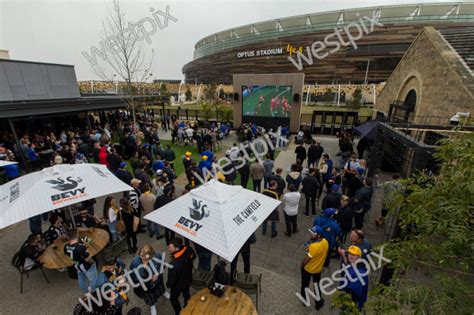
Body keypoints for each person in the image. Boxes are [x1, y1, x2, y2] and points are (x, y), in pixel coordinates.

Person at [130, 245, 166, 315]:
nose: (142, 258)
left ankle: (164, 292)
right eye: (141, 255)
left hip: (157, 281)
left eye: (144, 256)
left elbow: (163, 265)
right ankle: (152, 306)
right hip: (145, 285)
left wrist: (157, 274)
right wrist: (143, 274)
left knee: (160, 288)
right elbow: (133, 276)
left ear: (151, 255)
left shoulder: (157, 255)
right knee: (149, 296)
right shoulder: (135, 262)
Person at [300, 226, 328, 310]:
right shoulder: (325, 242)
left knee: (305, 285)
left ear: (318, 236)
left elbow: (306, 259)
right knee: (317, 286)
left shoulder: (313, 247)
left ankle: (305, 301)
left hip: (308, 269)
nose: (311, 235)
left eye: (313, 234)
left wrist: (302, 265)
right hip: (318, 269)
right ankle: (318, 303)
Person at [167, 238, 196, 315]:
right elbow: (194, 257)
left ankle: (179, 312)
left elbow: (171, 282)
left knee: (173, 298)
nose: (168, 248)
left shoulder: (173, 264)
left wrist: (168, 284)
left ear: (177, 248)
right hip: (188, 278)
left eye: (170, 247)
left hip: (178, 284)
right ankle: (188, 306)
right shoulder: (189, 248)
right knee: (186, 293)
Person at [339, 246, 369, 311]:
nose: (351, 256)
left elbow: (354, 294)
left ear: (359, 257)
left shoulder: (360, 273)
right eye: (350, 254)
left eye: (354, 254)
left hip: (352, 305)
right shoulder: (352, 265)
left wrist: (343, 299)